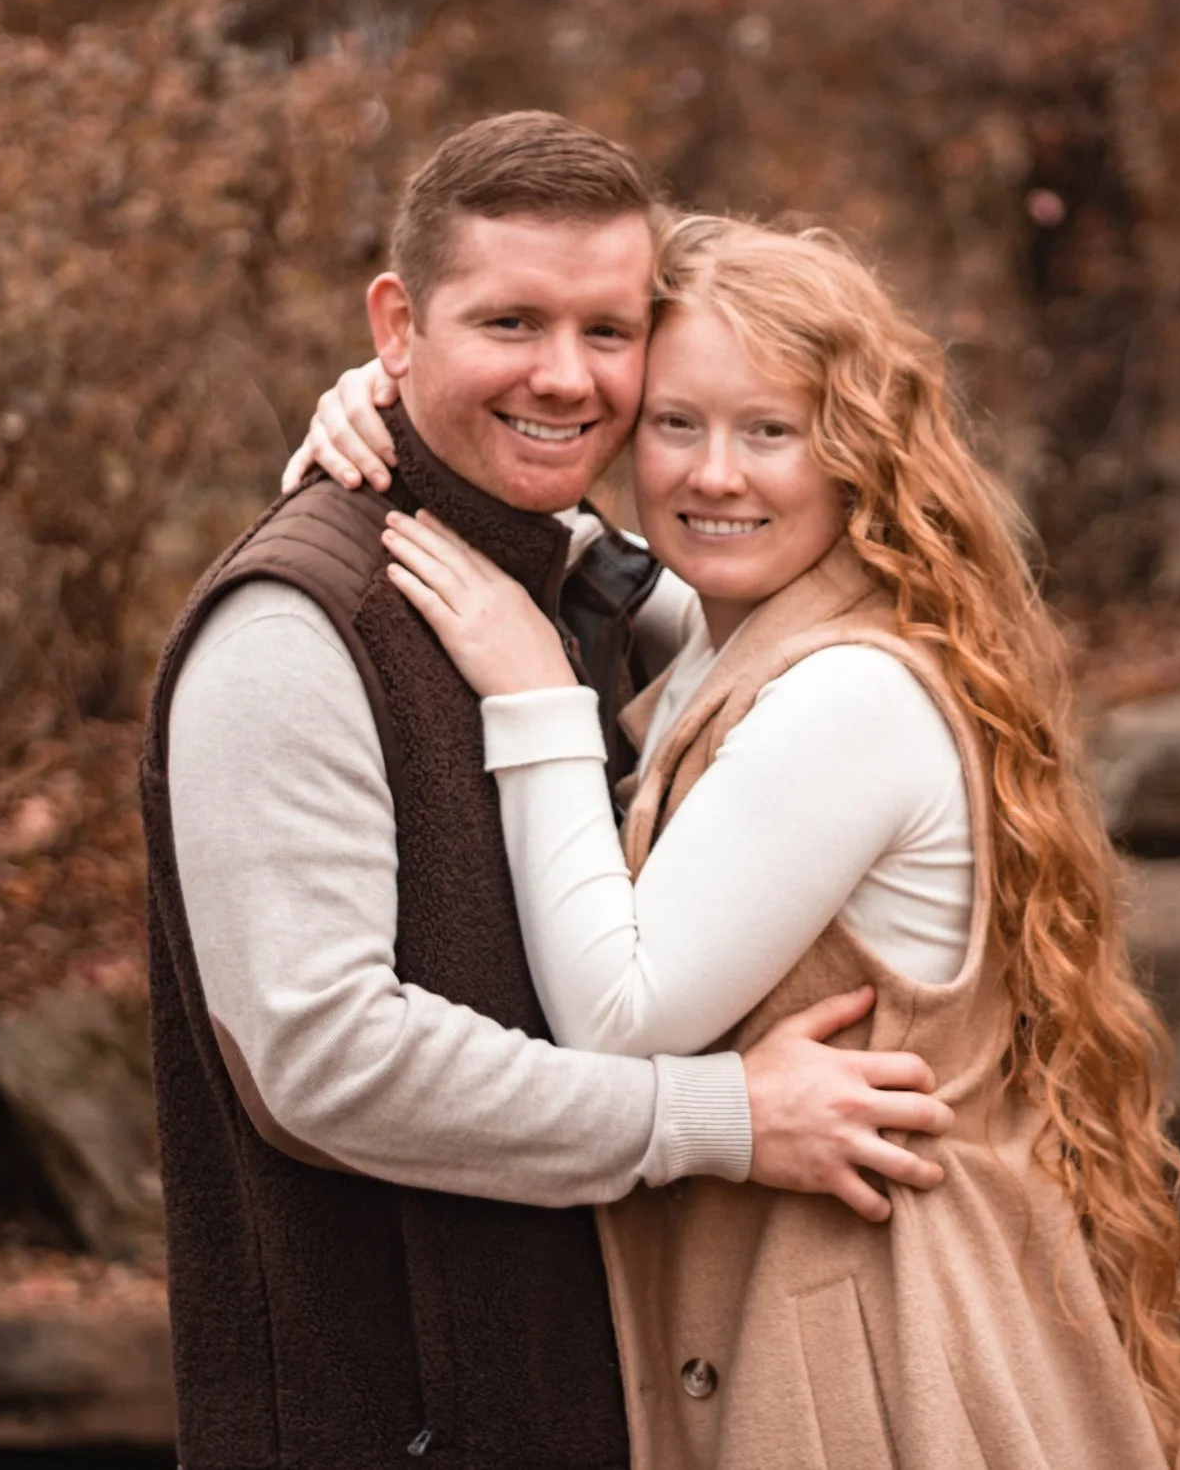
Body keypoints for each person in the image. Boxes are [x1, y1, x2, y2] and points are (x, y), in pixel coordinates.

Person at [292, 215, 1180, 1468]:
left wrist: (534, 700)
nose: (715, 475)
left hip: (884, 1377)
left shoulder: (845, 697)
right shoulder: (739, 625)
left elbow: (621, 1015)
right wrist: (389, 403)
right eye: (675, 424)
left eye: (771, 431)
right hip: (824, 1333)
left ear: (853, 451)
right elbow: (603, 534)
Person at [144, 114, 956, 1470]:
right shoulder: (290, 632)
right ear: (397, 323)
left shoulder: (581, 580)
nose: (568, 377)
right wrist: (724, 1117)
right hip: (389, 1416)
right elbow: (322, 1056)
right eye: (510, 322)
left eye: (609, 330)